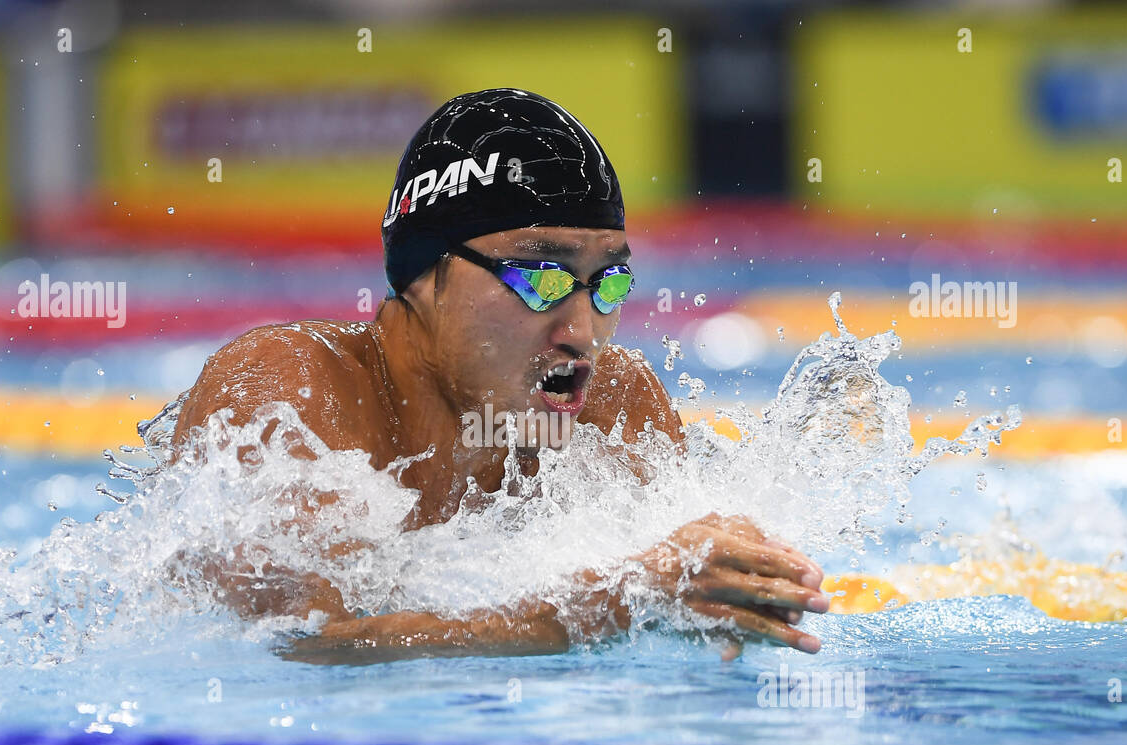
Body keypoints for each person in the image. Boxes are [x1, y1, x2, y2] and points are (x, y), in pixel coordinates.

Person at [171, 88, 830, 664]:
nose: (583, 332)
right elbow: (305, 644)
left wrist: (725, 601)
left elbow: (674, 625)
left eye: (608, 282)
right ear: (425, 276)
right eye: (542, 278)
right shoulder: (287, 393)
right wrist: (604, 608)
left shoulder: (613, 403)